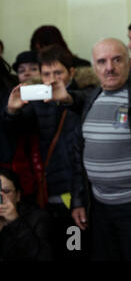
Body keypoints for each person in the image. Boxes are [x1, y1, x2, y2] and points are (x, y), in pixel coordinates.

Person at [53, 38, 131, 261]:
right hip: (99, 208)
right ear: (94, 67)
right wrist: (78, 201)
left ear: (129, 62)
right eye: (102, 62)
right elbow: (79, 157)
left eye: (117, 60)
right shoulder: (91, 98)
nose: (109, 68)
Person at [3, 44, 84, 260]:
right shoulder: (37, 103)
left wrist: (77, 200)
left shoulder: (82, 99)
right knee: (52, 249)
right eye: (46, 73)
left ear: (72, 72)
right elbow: (17, 133)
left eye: (58, 72)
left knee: (75, 249)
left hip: (75, 194)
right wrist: (11, 111)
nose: (51, 79)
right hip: (46, 194)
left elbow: (78, 157)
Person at [0, 167, 53, 261]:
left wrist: (16, 222)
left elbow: (43, 257)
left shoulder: (37, 218)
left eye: (6, 192)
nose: (1, 197)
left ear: (18, 195)